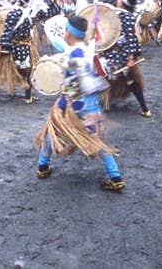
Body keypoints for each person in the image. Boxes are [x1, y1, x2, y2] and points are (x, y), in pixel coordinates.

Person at [33, 15, 125, 191]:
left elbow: (70, 67)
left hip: (75, 104)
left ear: (69, 32)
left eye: (65, 30)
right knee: (97, 138)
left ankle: (43, 166)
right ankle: (115, 176)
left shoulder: (73, 54)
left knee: (53, 129)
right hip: (87, 102)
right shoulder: (86, 47)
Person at [99, 0, 151, 117]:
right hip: (110, 54)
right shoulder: (110, 14)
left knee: (131, 80)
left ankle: (144, 108)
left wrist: (130, 58)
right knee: (104, 78)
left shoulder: (127, 17)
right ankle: (104, 102)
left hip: (122, 55)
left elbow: (130, 38)